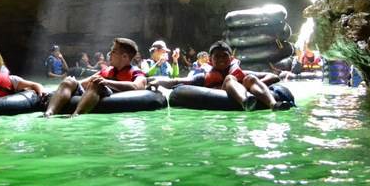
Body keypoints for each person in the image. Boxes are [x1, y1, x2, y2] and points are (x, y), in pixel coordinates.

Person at [149, 40, 288, 111]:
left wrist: (248, 87)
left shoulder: (241, 73)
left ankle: (273, 104)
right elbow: (178, 81)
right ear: (210, 60)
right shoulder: (203, 77)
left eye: (224, 56)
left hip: (248, 94)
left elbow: (273, 77)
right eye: (217, 57)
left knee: (249, 78)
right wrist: (158, 82)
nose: (221, 59)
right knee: (229, 79)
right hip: (221, 97)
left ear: (231, 58)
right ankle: (245, 103)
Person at [43, 37, 147, 117]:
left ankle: (76, 115)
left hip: (109, 93)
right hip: (93, 91)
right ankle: (48, 113)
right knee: (69, 80)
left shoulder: (136, 72)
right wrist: (52, 93)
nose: (109, 54)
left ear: (124, 56)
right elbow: (82, 83)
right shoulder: (107, 70)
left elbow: (137, 86)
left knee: (97, 83)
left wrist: (106, 82)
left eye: (113, 51)